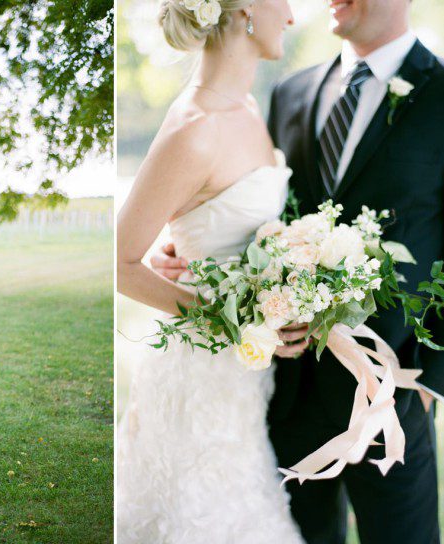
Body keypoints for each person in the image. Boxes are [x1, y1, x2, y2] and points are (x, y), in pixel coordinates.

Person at [149, 0, 444, 542]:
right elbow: (254, 216)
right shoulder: (290, 92)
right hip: (287, 390)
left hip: (392, 395)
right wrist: (178, 246)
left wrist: (429, 385)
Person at [117, 1, 304, 542]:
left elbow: (219, 222)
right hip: (198, 369)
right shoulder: (193, 127)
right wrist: (235, 320)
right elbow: (121, 262)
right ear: (246, 9)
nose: (291, 15)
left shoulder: (246, 107)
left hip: (244, 378)